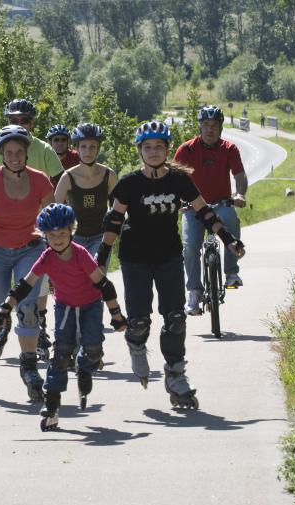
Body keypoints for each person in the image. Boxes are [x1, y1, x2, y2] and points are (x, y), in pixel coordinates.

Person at [96, 121, 245, 408]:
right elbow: (113, 222)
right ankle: (136, 345)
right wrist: (101, 257)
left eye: (159, 147)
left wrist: (228, 240)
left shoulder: (178, 180)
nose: (153, 152)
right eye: (147, 147)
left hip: (168, 256)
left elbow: (204, 212)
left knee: (175, 318)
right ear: (140, 150)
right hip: (135, 258)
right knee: (139, 322)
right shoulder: (129, 184)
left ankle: (176, 376)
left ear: (167, 150)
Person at [0, 204, 126, 430]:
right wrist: (4, 310)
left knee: (93, 349)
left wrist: (116, 314)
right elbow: (24, 286)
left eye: (62, 233)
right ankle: (52, 406)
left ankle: (85, 366)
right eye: (51, 235)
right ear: (44, 236)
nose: (58, 239)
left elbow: (104, 284)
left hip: (90, 305)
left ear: (72, 231)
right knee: (61, 353)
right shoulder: (46, 258)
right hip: (65, 307)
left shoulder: (81, 255)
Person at [0, 125, 55, 401]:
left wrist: (54, 257)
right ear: (1, 155)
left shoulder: (41, 181)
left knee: (28, 308)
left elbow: (51, 221)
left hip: (29, 249)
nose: (15, 156)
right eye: (9, 152)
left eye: (20, 152)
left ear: (27, 153)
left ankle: (29, 365)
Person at [0, 99, 64, 361]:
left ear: (32, 123)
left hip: (33, 238)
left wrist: (55, 234)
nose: (19, 124)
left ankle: (36, 335)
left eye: (25, 120)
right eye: (13, 119)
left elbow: (58, 192)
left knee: (33, 297)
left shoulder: (45, 150)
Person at [173, 105, 249, 316]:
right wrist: (175, 200)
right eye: (206, 125)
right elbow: (173, 178)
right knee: (189, 246)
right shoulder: (186, 150)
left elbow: (240, 176)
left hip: (221, 204)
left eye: (214, 125)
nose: (210, 129)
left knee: (230, 221)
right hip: (192, 208)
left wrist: (240, 195)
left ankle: (232, 273)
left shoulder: (229, 149)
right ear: (199, 126)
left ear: (221, 127)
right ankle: (194, 292)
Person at [54, 123, 118, 260]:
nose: (88, 151)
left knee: (96, 278)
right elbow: (53, 212)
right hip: (73, 239)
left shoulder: (109, 175)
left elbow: (117, 210)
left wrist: (111, 237)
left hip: (100, 238)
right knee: (75, 280)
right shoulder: (67, 177)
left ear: (98, 149)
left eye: (92, 146)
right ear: (76, 148)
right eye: (83, 146)